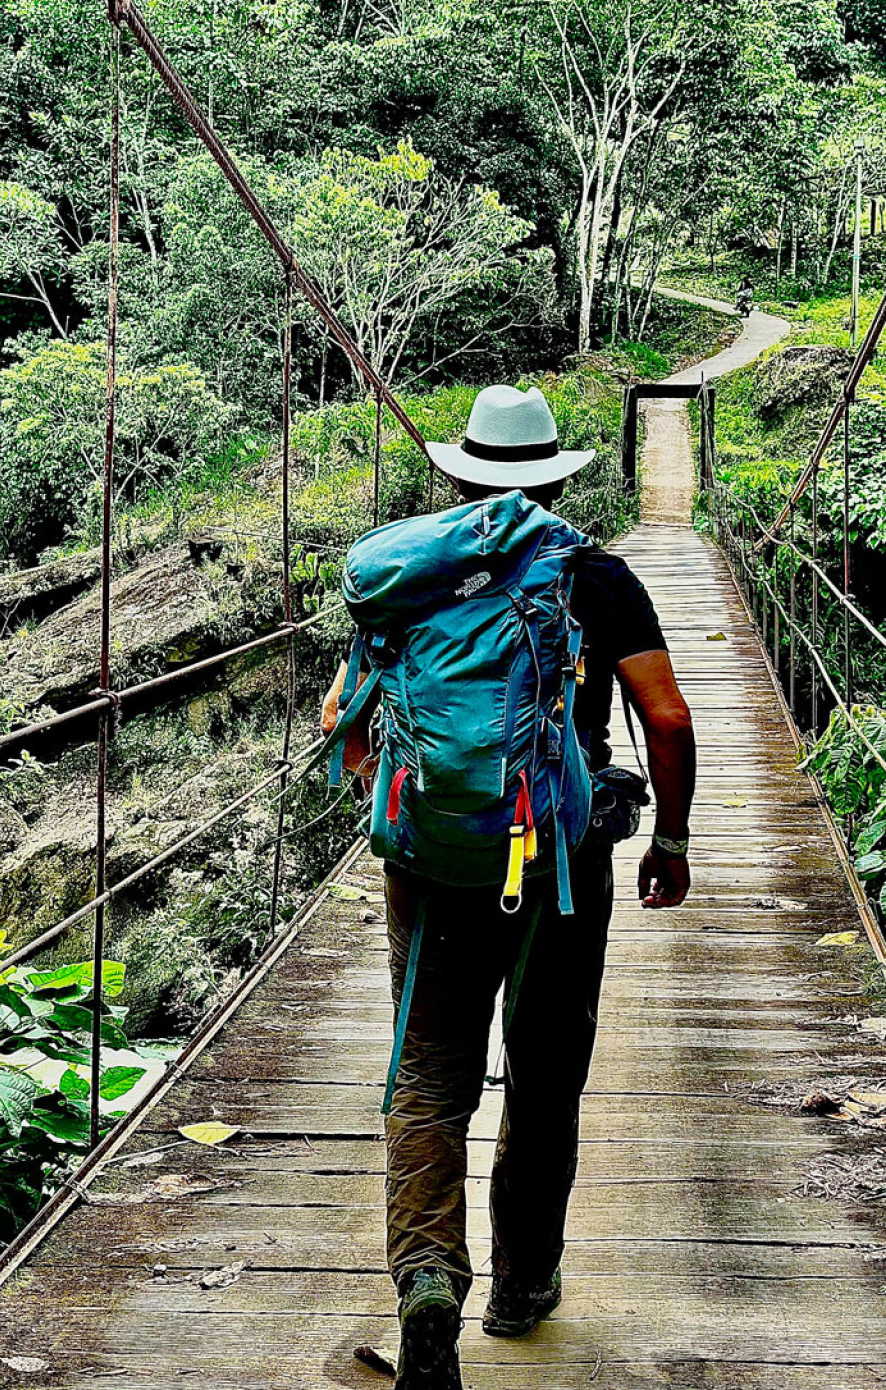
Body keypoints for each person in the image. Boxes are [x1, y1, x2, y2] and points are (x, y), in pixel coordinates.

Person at [322, 385, 697, 1390]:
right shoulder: (596, 576)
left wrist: (426, 791)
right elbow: (666, 719)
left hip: (434, 870)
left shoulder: (411, 575)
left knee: (432, 1074)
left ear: (459, 473)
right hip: (563, 868)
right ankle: (524, 1286)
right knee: (544, 1073)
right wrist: (670, 838)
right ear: (554, 476)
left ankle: (427, 1282)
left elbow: (343, 728)